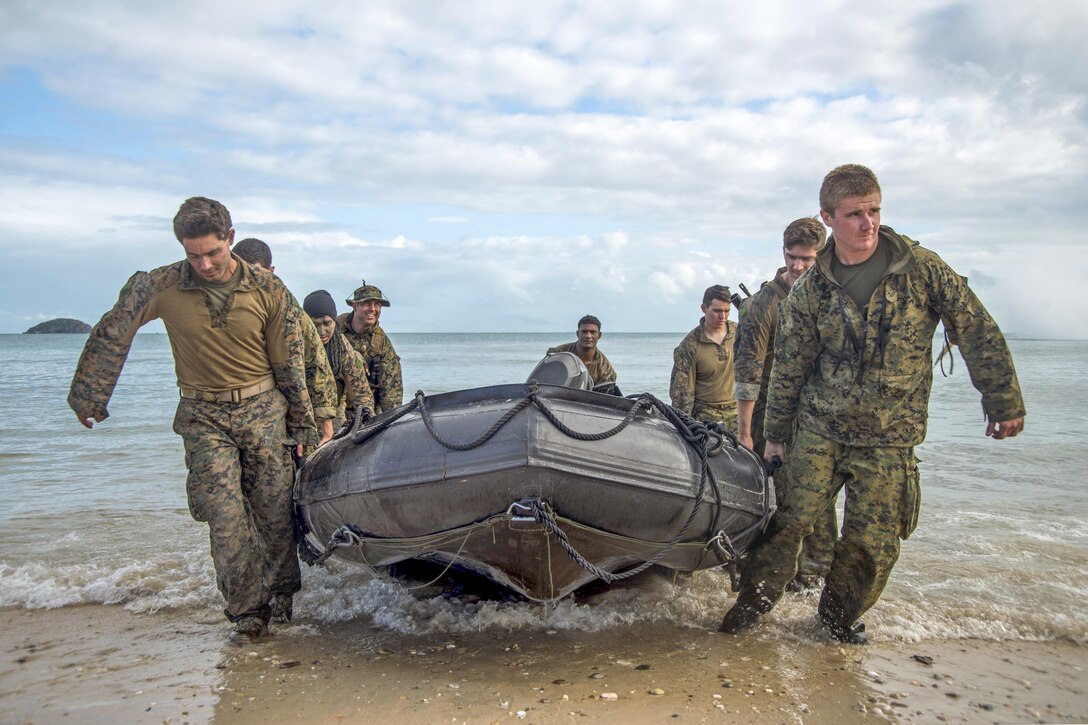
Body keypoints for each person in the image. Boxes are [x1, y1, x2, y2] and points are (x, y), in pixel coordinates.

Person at [720, 164, 1025, 643]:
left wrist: (1002, 399)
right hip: (820, 430)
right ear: (828, 219)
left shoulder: (921, 270)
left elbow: (975, 328)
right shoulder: (812, 289)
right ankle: (752, 608)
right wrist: (775, 436)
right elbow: (790, 366)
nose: (868, 224)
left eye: (875, 211)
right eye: (855, 214)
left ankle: (836, 621)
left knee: (871, 543)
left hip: (890, 437)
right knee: (787, 523)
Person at [67, 197, 318, 643]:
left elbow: (290, 362)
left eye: (212, 253)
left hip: (264, 411)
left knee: (274, 515)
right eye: (193, 254)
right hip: (203, 416)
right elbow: (114, 330)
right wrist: (90, 395)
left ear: (231, 239)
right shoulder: (160, 285)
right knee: (222, 516)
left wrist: (304, 426)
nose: (203, 263)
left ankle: (282, 593)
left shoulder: (269, 290)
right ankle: (247, 612)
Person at [734, 217, 834, 588]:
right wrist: (745, 434)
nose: (797, 266)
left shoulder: (828, 296)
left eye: (807, 259)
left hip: (815, 417)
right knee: (775, 499)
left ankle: (811, 572)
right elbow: (747, 373)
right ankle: (759, 573)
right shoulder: (764, 305)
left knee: (815, 498)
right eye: (792, 257)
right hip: (767, 416)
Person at [233, 237, 339, 448]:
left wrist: (324, 424)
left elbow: (314, 364)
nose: (247, 281)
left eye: (255, 272)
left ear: (271, 271)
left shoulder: (288, 309)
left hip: (279, 414)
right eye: (240, 272)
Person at [303, 289, 376, 429]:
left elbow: (361, 393)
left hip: (334, 412)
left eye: (327, 323)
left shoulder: (342, 348)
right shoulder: (296, 343)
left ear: (334, 322)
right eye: (315, 324)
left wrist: (368, 418)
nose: (322, 331)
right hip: (302, 412)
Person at [669, 285, 738, 429]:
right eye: (717, 311)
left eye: (727, 311)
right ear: (704, 308)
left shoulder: (740, 333)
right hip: (705, 417)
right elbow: (681, 394)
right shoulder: (690, 345)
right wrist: (684, 427)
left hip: (738, 413)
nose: (722, 316)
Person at [337, 282, 403, 414]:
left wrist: (391, 418)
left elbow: (391, 389)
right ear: (355, 306)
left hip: (367, 411)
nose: (373, 309)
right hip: (336, 408)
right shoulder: (335, 330)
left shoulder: (380, 342)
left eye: (377, 304)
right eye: (367, 303)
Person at [546, 314, 618, 390]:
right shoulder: (559, 353)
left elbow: (601, 397)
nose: (588, 336)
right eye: (584, 332)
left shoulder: (605, 369)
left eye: (592, 332)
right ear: (578, 334)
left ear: (599, 335)